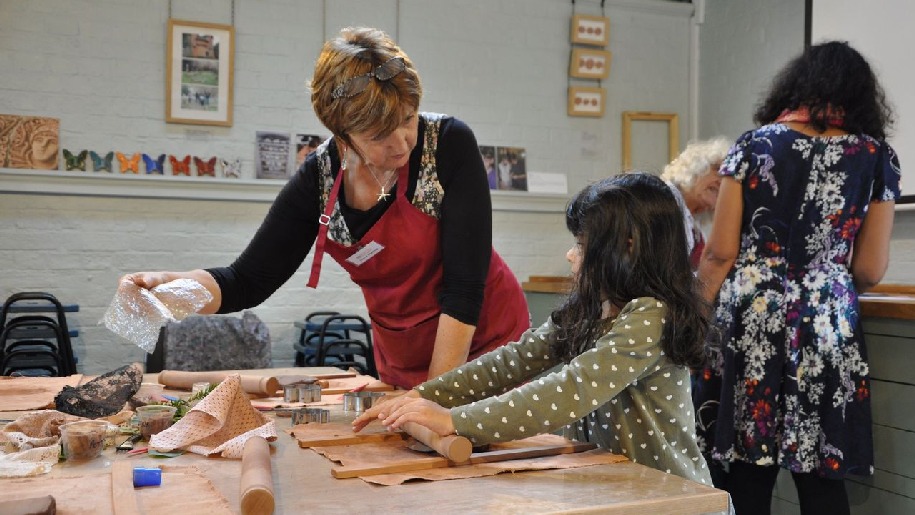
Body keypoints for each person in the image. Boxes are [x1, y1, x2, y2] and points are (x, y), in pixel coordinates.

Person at [120, 27, 530, 389]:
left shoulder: (448, 145)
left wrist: (434, 399)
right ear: (343, 136)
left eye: (408, 119)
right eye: (379, 135)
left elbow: (464, 289)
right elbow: (246, 281)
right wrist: (166, 290)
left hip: (483, 341)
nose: (403, 142)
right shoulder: (317, 181)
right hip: (404, 355)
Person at [354, 172, 714, 485]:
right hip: (612, 484)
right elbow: (513, 361)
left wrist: (455, 421)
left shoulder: (650, 317)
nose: (571, 255)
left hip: (671, 497)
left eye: (582, 244)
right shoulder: (591, 310)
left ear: (627, 248)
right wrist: (423, 396)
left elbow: (570, 389)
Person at [695, 41, 900, 514]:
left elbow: (720, 253)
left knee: (744, 470)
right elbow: (869, 268)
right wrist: (824, 281)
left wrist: (693, 318)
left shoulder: (753, 145)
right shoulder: (875, 157)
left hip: (751, 314)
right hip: (827, 322)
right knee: (820, 471)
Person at [661, 137, 731, 270]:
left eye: (729, 179)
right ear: (696, 167)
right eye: (718, 170)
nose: (722, 182)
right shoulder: (663, 199)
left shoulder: (696, 225)